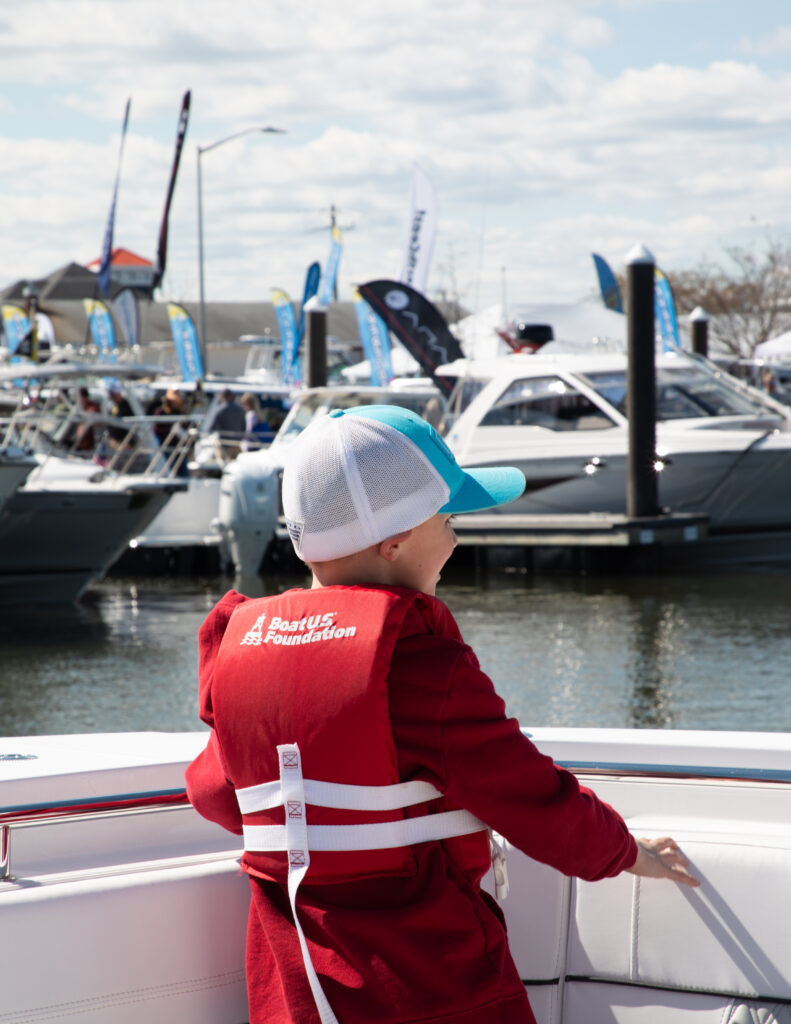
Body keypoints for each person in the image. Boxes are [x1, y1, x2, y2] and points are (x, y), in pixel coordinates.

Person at [185, 405, 699, 1024]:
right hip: (431, 990)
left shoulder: (241, 655)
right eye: (449, 518)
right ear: (395, 541)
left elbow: (215, 794)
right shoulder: (422, 665)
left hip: (297, 996)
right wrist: (627, 853)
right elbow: (534, 800)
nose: (457, 537)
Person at [74, 386, 101, 451]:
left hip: (88, 443)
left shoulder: (92, 406)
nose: (75, 399)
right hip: (80, 441)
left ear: (82, 397)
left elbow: (90, 418)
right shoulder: (81, 406)